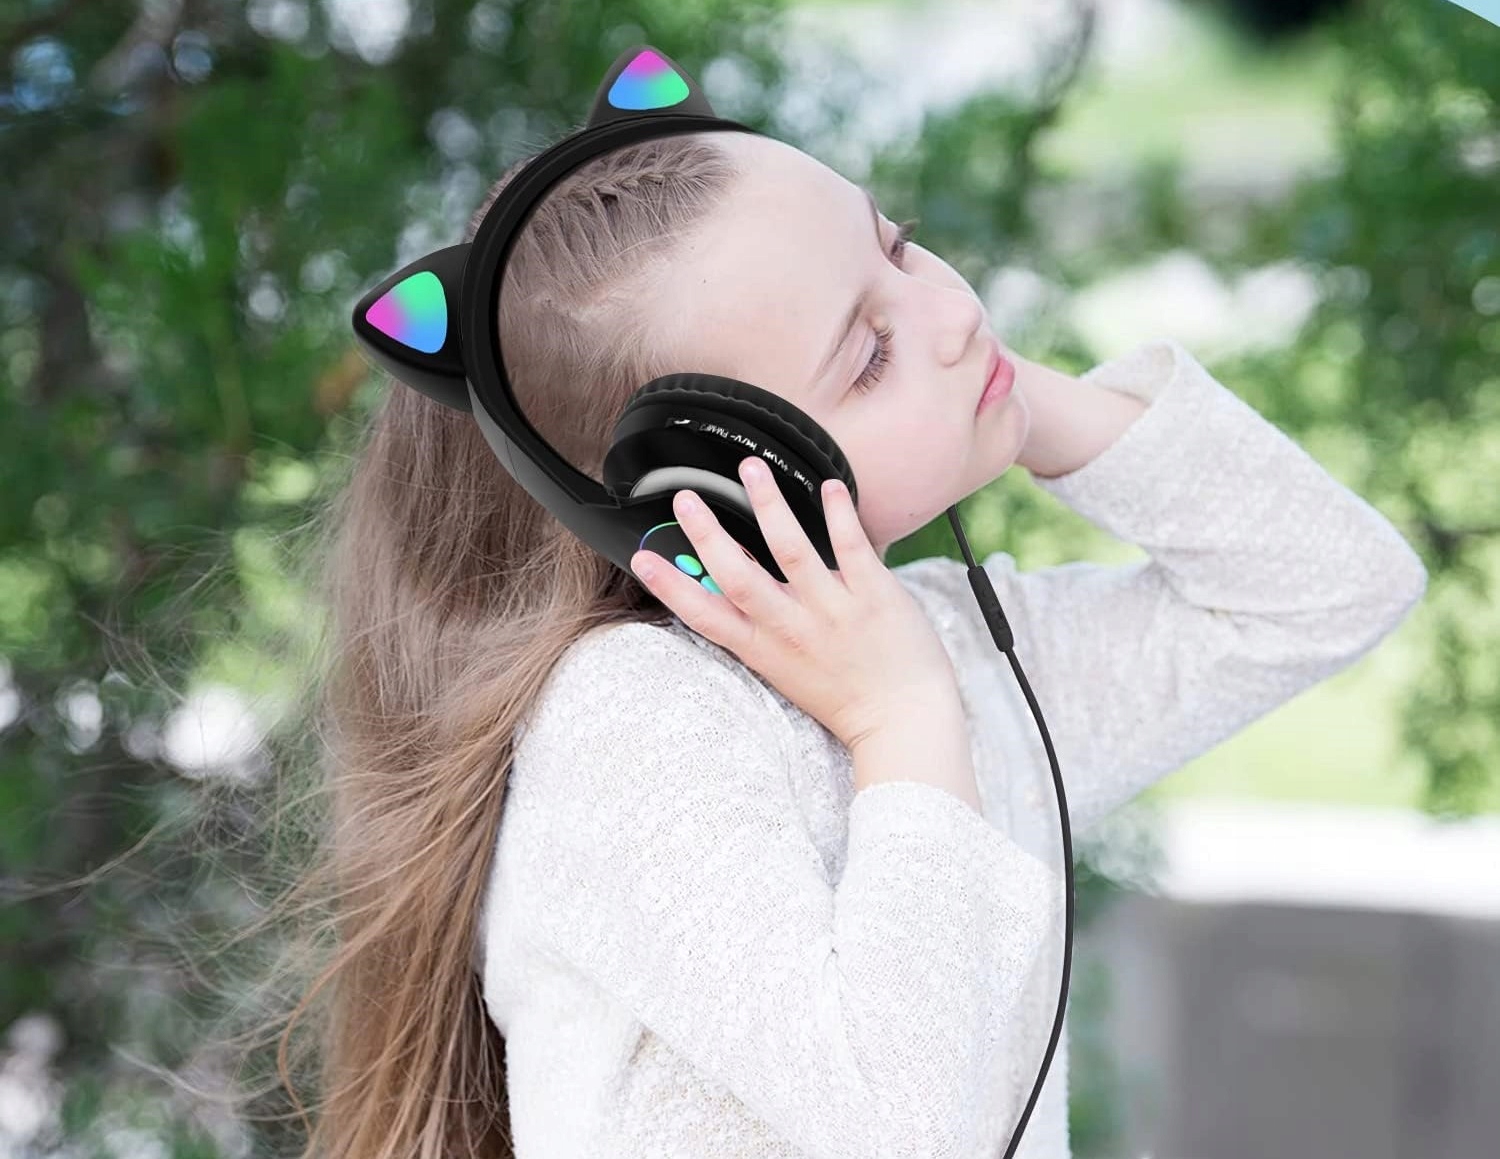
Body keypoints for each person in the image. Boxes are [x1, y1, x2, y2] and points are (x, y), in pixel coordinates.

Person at [296, 125, 1428, 1159]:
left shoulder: (953, 655)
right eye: (871, 353)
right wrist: (901, 724)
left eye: (901, 246)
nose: (955, 312)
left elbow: (1329, 588)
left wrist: (1009, 400)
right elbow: (906, 1128)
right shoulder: (636, 722)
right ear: (720, 488)